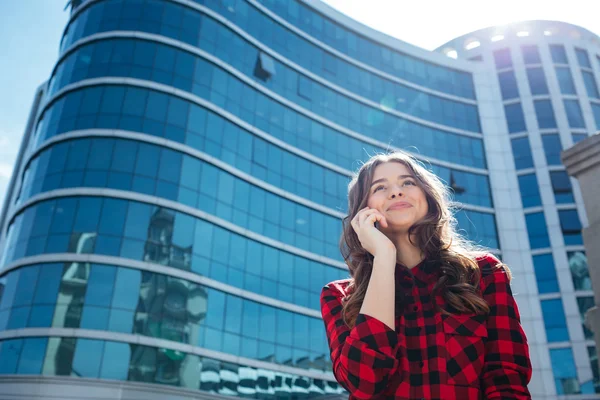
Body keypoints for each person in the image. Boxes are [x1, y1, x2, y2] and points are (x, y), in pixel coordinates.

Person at [320, 151, 532, 399]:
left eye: (407, 182)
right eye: (379, 188)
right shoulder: (339, 296)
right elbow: (364, 382)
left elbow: (506, 380)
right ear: (363, 210)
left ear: (428, 196)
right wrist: (384, 257)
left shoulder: (483, 274)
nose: (396, 192)